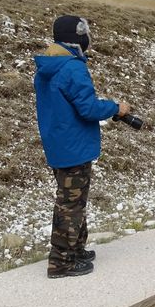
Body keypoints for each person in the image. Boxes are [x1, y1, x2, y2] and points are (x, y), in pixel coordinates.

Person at [34, 15, 131, 278]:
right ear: (78, 36)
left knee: (73, 201)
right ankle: (61, 263)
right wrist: (116, 108)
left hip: (59, 143)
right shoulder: (72, 67)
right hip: (74, 146)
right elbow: (88, 108)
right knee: (71, 205)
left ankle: (76, 249)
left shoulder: (50, 65)